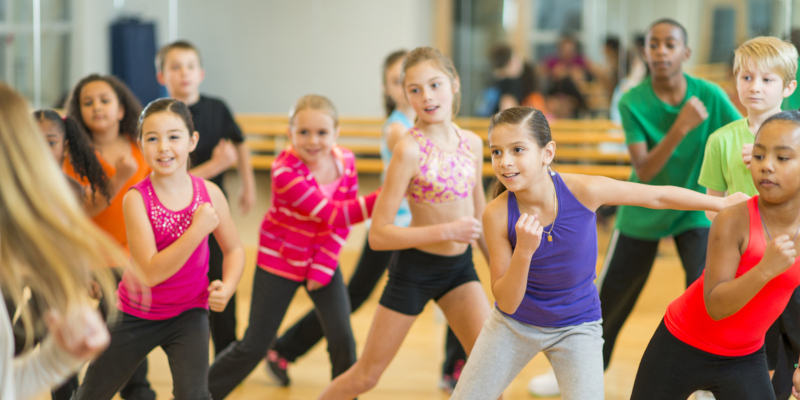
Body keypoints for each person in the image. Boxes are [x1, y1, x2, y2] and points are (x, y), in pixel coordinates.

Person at [448, 106, 746, 400]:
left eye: (517, 150)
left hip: (577, 327)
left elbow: (656, 196)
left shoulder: (583, 190)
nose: (505, 162)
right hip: (513, 325)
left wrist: (720, 204)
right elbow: (508, 302)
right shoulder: (496, 214)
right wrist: (524, 252)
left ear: (547, 153)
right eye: (496, 152)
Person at [528, 18, 743, 397]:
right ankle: (577, 373)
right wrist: (682, 126)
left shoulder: (708, 94)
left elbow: (741, 132)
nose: (661, 51)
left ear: (685, 53)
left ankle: (709, 384)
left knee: (705, 294)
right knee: (610, 299)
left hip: (693, 209)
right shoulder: (632, 100)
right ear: (645, 52)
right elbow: (645, 169)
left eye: (670, 44)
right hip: (641, 210)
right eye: (654, 44)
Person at [317, 46, 491, 400]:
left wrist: (503, 272)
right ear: (404, 94)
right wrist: (448, 230)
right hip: (415, 270)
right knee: (367, 376)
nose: (426, 96)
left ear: (454, 84)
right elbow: (379, 235)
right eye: (414, 89)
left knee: (490, 372)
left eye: (435, 84)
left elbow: (480, 212)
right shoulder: (409, 149)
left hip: (460, 270)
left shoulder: (471, 143)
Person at [207, 95, 379, 399]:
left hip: (321, 260)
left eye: (322, 133)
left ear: (336, 134)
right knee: (254, 346)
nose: (313, 140)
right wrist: (390, 192)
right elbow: (334, 213)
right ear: (290, 134)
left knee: (343, 339)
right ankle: (194, 393)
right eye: (303, 132)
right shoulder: (284, 171)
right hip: (279, 262)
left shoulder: (346, 162)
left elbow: (340, 225)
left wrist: (323, 265)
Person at [73, 98, 245, 400]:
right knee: (90, 395)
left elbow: (233, 250)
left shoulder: (210, 195)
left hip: (190, 313)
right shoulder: (136, 199)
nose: (164, 147)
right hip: (135, 314)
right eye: (152, 139)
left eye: (174, 137)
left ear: (192, 141)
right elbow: (151, 272)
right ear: (141, 145)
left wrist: (229, 286)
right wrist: (197, 230)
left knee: (194, 396)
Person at [631, 110, 800, 400]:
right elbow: (716, 305)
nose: (766, 166)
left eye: (782, 158)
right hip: (681, 344)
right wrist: (764, 270)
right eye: (758, 156)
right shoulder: (733, 219)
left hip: (745, 357)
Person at [0, 82, 119, 400]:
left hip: (47, 273)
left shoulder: (67, 189)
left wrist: (58, 359)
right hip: (21, 272)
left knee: (39, 325)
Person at [698, 36, 798, 400]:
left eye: (767, 80)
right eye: (746, 77)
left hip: (794, 262)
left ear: (788, 86)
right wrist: (731, 208)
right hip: (747, 265)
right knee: (758, 351)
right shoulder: (721, 140)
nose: (754, 87)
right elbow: (710, 205)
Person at [156, 41, 256, 355]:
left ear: (201, 73)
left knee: (220, 271)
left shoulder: (217, 108)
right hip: (174, 212)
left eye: (189, 66)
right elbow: (169, 174)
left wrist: (248, 185)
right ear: (162, 76)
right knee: (183, 278)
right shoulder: (160, 117)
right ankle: (184, 349)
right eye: (175, 66)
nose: (183, 73)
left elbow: (239, 145)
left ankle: (227, 349)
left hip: (213, 209)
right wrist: (215, 165)